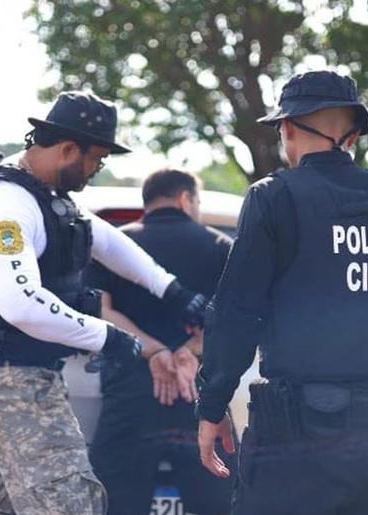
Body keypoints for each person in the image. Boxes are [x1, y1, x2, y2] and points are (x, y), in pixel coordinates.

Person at [195, 70, 368, 515]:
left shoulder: (274, 196)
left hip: (296, 435)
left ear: (288, 129)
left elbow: (236, 313)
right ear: (354, 135)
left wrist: (211, 405)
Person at [0, 91, 207, 515]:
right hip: (13, 383)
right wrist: (112, 338)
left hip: (28, 379)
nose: (96, 170)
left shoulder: (48, 197)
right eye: (96, 159)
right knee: (73, 505)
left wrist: (177, 294)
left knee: (8, 508)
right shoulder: (5, 202)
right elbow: (21, 303)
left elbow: (108, 242)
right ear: (68, 149)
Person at [86, 168, 236, 515]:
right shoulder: (219, 246)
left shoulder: (113, 245)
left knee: (117, 506)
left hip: (128, 395)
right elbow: (233, 319)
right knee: (220, 504)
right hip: (199, 396)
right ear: (186, 199)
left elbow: (101, 311)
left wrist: (153, 350)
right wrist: (187, 351)